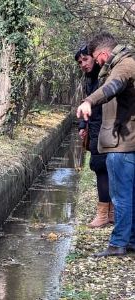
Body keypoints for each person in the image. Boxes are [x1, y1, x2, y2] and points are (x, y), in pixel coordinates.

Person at [77, 32, 135, 257]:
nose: (97, 63)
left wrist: (89, 101)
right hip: (125, 141)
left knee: (121, 197)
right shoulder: (125, 62)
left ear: (102, 53)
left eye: (95, 58)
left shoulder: (124, 65)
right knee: (129, 195)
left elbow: (113, 87)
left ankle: (118, 243)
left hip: (122, 143)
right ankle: (129, 241)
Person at [75, 45, 113, 228]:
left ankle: (105, 213)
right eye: (79, 62)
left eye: (85, 59)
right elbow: (86, 104)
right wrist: (83, 125)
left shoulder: (106, 76)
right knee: (100, 167)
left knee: (105, 168)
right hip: (95, 128)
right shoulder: (88, 79)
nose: (82, 64)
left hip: (109, 128)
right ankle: (109, 211)